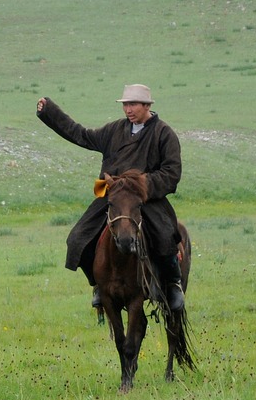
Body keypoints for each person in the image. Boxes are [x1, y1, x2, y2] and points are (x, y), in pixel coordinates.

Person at [36, 83, 185, 312]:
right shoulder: (114, 130)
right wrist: (49, 112)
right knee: (77, 239)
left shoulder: (163, 133)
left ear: (147, 105)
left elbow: (172, 173)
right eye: (125, 105)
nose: (128, 110)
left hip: (145, 199)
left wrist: (140, 184)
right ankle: (98, 283)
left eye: (133, 104)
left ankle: (172, 284)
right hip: (112, 197)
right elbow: (81, 135)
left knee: (165, 235)